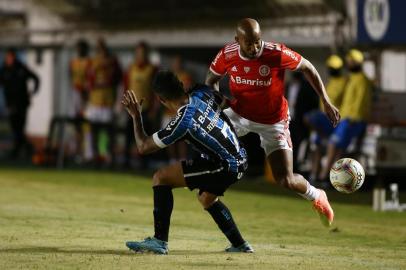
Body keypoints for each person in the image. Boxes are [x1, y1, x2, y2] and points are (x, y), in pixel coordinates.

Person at [205, 18, 339, 226]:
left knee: (285, 180)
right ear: (237, 40)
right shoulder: (227, 54)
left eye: (257, 41)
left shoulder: (276, 53)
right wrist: (218, 104)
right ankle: (205, 184)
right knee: (206, 133)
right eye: (249, 43)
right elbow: (210, 81)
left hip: (273, 121)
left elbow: (308, 68)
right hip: (239, 115)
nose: (255, 47)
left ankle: (317, 195)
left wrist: (326, 100)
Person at [122, 71, 252, 254]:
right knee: (207, 198)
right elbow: (212, 85)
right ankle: (240, 245)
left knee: (161, 177)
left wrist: (136, 116)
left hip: (226, 165)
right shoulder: (201, 92)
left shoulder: (183, 122)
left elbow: (143, 147)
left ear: (161, 100)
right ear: (182, 85)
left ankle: (159, 241)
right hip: (240, 156)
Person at [318, 49, 372, 181]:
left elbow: (360, 101)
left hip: (353, 120)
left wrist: (353, 118)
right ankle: (333, 178)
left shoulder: (362, 80)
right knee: (338, 148)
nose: (348, 64)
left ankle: (324, 176)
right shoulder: (350, 79)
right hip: (345, 120)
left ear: (356, 63)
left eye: (350, 61)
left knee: (334, 144)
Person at [304, 54, 347, 183]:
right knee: (315, 147)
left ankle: (325, 177)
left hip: (335, 121)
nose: (332, 69)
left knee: (334, 149)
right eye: (331, 67)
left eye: (334, 67)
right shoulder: (329, 82)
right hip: (322, 120)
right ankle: (314, 174)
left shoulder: (344, 83)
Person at [86, 38, 122, 165]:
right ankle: (94, 156)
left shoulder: (113, 62)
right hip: (95, 101)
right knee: (93, 130)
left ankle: (109, 156)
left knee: (108, 131)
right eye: (98, 47)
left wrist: (119, 101)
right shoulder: (93, 62)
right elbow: (89, 81)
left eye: (102, 46)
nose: (101, 49)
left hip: (108, 101)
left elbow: (119, 81)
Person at [123, 41, 157, 168]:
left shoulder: (152, 69)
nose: (141, 55)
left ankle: (144, 163)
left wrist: (154, 108)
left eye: (143, 52)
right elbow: (125, 87)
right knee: (129, 135)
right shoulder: (131, 68)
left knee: (145, 136)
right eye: (138, 52)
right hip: (131, 108)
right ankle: (126, 161)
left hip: (146, 108)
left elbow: (155, 90)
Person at [0, 47, 40, 158]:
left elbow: (35, 78)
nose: (9, 59)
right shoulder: (4, 70)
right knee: (15, 128)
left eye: (11, 57)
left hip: (22, 103)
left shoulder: (21, 68)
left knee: (20, 127)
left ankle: (18, 150)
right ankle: (26, 148)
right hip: (11, 104)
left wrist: (34, 91)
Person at [285, 72, 319, 171]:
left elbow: (314, 103)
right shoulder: (288, 85)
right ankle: (288, 167)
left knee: (300, 143)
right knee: (287, 144)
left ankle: (296, 167)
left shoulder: (307, 86)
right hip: (288, 119)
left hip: (301, 121)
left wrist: (308, 116)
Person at [69, 39, 91, 160]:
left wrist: (86, 92)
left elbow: (90, 77)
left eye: (81, 48)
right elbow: (71, 76)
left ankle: (87, 152)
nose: (79, 51)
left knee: (86, 124)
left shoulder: (89, 62)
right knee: (75, 123)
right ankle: (76, 150)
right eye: (78, 48)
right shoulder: (73, 62)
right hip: (75, 94)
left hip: (85, 94)